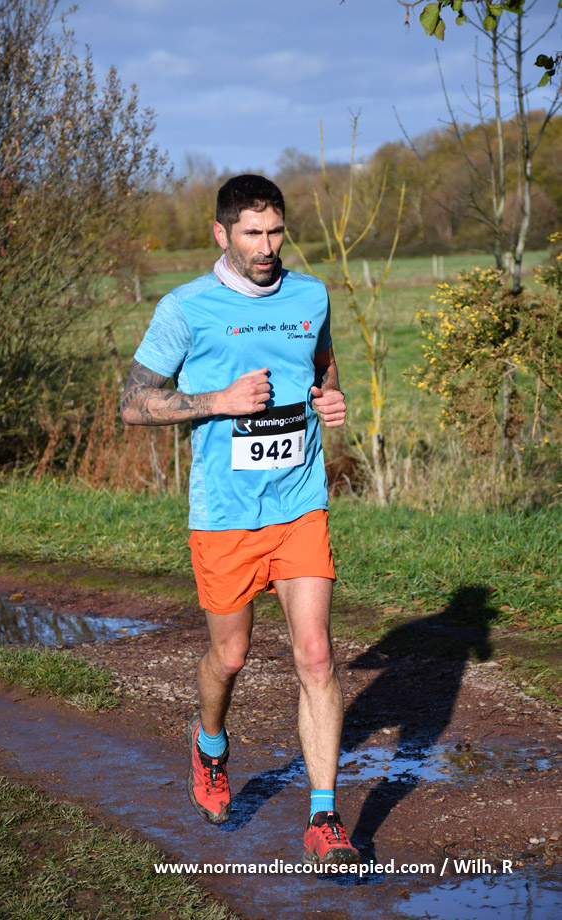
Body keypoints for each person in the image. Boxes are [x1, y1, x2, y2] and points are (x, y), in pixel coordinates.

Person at [120, 174, 359, 866]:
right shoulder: (185, 307)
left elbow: (322, 366)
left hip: (299, 504)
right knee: (229, 657)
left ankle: (323, 818)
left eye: (276, 232)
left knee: (316, 655)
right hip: (224, 515)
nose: (267, 247)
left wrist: (329, 398)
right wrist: (217, 401)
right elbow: (133, 404)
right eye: (252, 234)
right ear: (222, 234)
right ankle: (210, 744)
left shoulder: (309, 295)